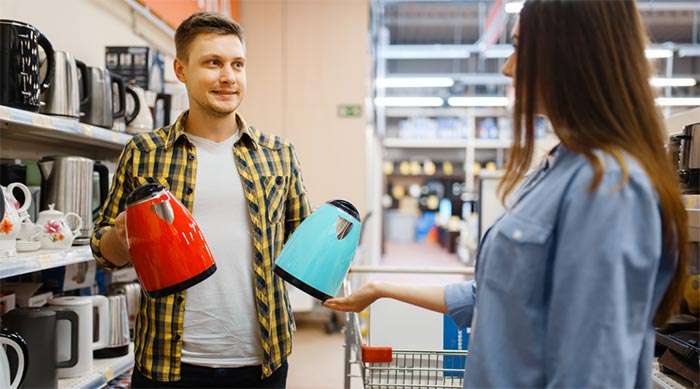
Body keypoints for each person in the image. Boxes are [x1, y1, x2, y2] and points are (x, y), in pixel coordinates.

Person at [324, 1, 689, 387]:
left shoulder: (608, 189)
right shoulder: (556, 170)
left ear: (572, 52)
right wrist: (381, 288)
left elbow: (591, 374)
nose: (507, 67)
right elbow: (492, 296)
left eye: (519, 48)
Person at [91, 12, 311, 388]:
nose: (228, 77)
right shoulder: (144, 152)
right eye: (213, 63)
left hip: (261, 363)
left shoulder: (279, 153)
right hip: (168, 363)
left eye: (237, 64)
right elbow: (103, 252)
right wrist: (122, 235)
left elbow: (303, 246)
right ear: (181, 69)